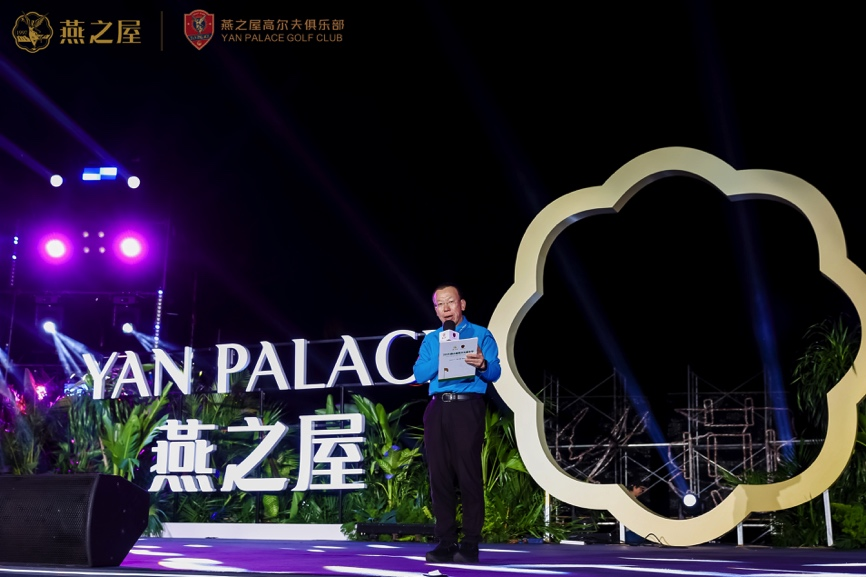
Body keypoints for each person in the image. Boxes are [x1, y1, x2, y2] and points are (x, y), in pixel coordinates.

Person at [413, 284, 501, 564]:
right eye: (440, 304)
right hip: (437, 407)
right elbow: (419, 373)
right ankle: (446, 541)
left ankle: (471, 543)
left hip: (467, 406)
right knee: (439, 476)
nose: (446, 308)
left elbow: (495, 372)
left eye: (450, 302)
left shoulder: (480, 334)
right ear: (436, 310)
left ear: (462, 304)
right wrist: (443, 353)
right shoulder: (432, 340)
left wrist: (482, 364)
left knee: (468, 474)